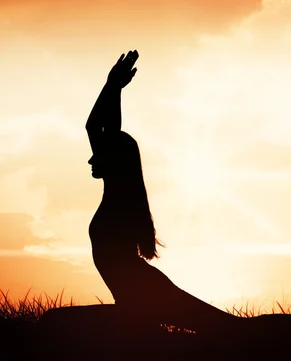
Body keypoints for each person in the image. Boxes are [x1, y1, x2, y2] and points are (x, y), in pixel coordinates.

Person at [84, 50, 242, 335]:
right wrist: (114, 88)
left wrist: (112, 87)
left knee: (236, 331)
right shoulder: (120, 190)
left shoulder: (119, 199)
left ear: (116, 162)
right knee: (231, 329)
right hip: (142, 298)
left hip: (147, 297)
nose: (91, 159)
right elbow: (105, 132)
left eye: (99, 155)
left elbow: (96, 127)